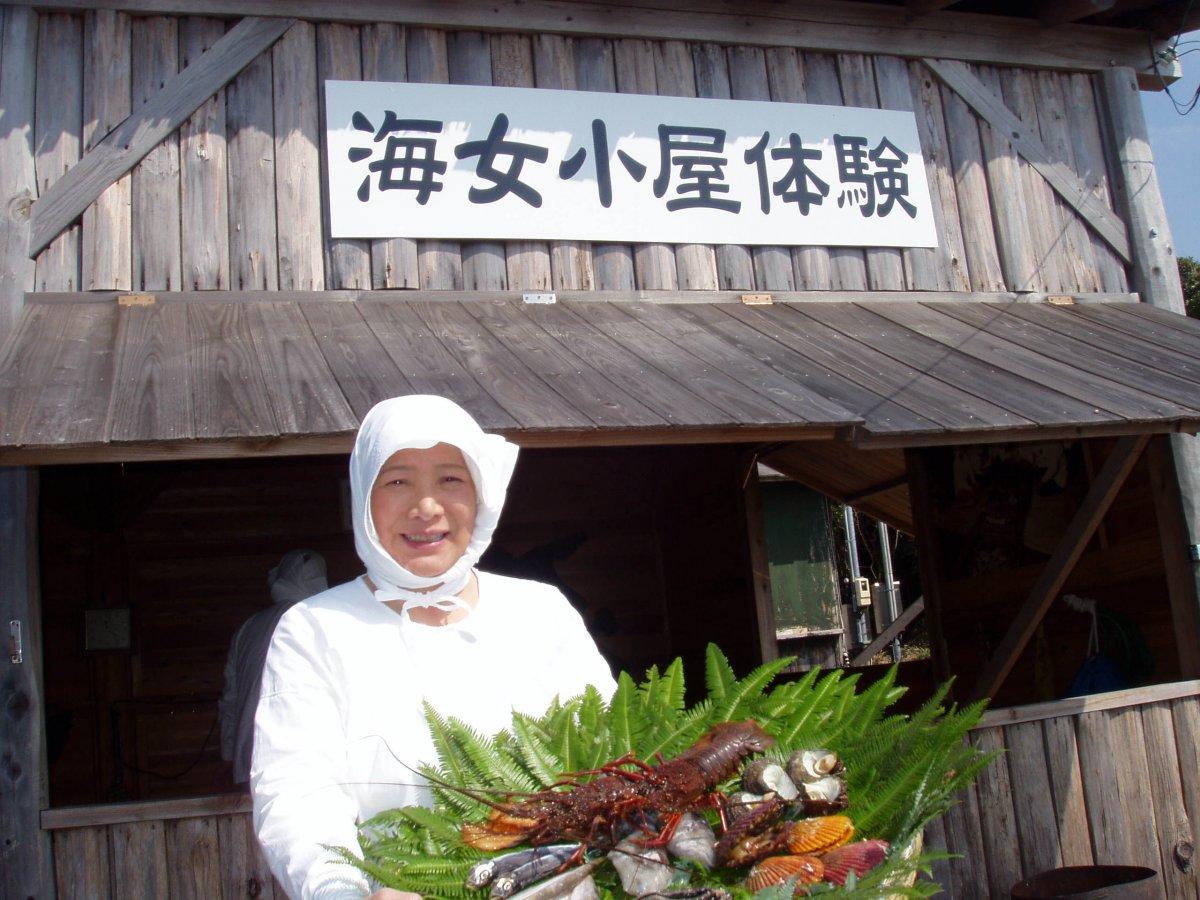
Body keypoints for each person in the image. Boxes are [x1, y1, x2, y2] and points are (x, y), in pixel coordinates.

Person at [251, 395, 617, 900]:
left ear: (481, 495)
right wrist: (344, 892)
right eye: (398, 480)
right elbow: (298, 795)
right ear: (362, 496)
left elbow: (614, 750)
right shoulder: (316, 629)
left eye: (451, 480)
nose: (426, 508)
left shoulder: (540, 611)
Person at [219, 549, 329, 784]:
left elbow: (230, 699)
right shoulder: (324, 621)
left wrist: (230, 756)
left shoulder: (249, 627)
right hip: (310, 767)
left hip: (252, 764)